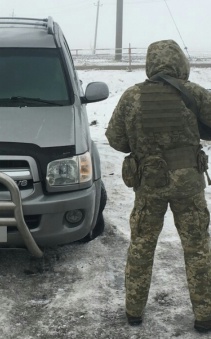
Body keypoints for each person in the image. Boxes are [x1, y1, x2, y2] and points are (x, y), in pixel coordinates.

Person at [105, 39, 211, 332]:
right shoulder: (193, 93)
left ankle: (134, 312)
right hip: (188, 184)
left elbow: (115, 139)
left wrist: (141, 144)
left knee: (141, 244)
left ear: (150, 63)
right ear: (180, 62)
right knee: (198, 247)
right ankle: (204, 316)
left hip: (149, 183)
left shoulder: (132, 96)